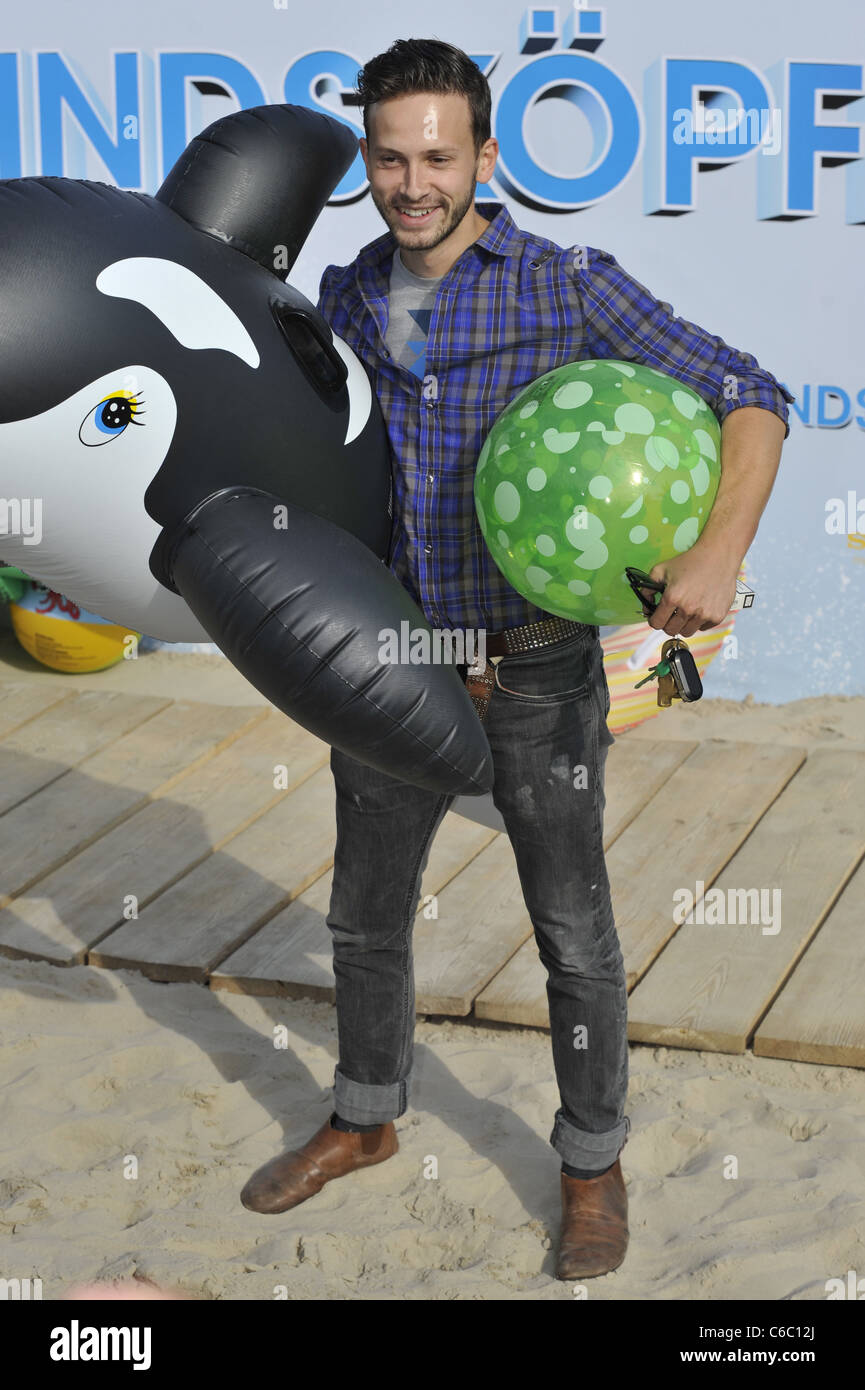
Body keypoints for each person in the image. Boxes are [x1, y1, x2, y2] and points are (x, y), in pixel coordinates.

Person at [240, 37, 793, 1280]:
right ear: (369, 162)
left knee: (571, 934)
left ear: (486, 156)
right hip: (390, 657)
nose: (413, 180)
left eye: (438, 155)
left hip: (537, 668)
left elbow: (753, 393)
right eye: (390, 156)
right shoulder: (340, 293)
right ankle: (367, 1112)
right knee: (365, 918)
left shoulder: (568, 283)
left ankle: (591, 1167)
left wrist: (717, 552)